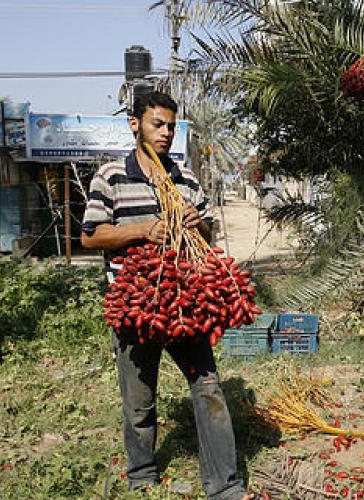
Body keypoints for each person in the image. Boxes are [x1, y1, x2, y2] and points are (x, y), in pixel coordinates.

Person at [81, 91, 252, 500]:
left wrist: (198, 224)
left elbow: (210, 237)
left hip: (184, 305)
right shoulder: (111, 177)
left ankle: (224, 486)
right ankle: (142, 475)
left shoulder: (186, 180)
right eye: (158, 124)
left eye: (171, 126)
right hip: (135, 306)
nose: (166, 133)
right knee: (139, 402)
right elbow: (91, 236)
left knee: (208, 388)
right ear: (134, 124)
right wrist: (141, 230)